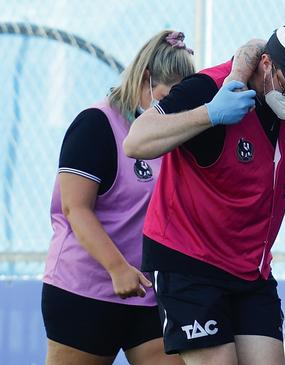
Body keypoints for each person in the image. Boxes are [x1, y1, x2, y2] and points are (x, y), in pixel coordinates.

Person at [122, 23, 285, 365]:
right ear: (266, 64)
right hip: (189, 260)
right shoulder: (209, 87)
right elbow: (136, 141)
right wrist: (209, 114)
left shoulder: (283, 101)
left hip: (250, 268)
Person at [42, 30, 194, 365]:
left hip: (148, 294)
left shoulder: (174, 134)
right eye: (167, 97)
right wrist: (117, 268)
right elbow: (75, 208)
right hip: (85, 290)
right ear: (144, 80)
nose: (173, 109)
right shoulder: (96, 124)